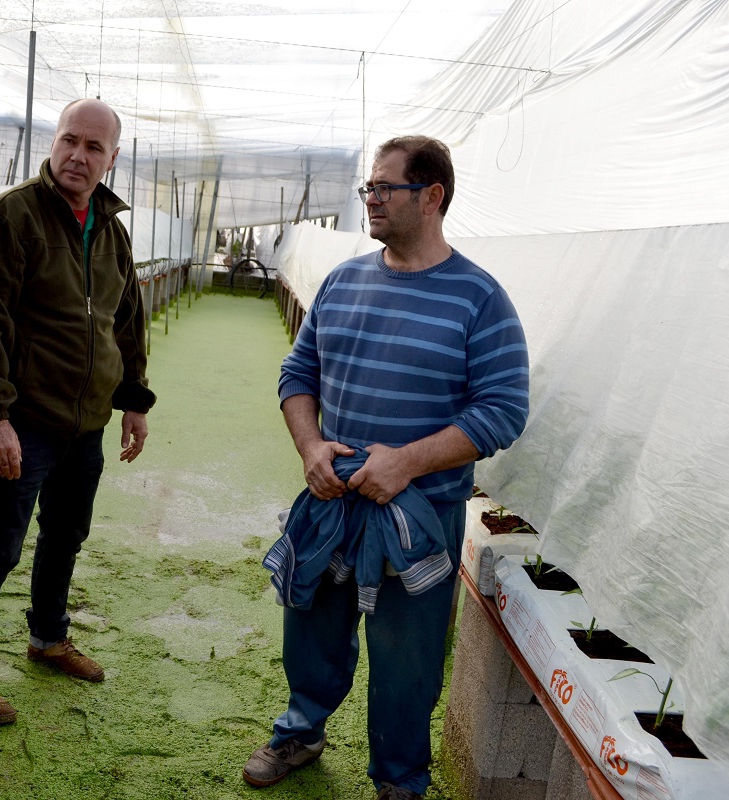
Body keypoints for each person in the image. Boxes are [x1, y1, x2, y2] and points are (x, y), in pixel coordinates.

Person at [243, 136, 529, 798]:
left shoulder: (479, 300)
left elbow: (503, 410)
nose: (370, 199)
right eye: (368, 188)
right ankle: (300, 731)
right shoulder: (343, 281)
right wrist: (312, 447)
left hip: (418, 514)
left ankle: (400, 778)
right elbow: (299, 373)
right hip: (332, 499)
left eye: (384, 188)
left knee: (407, 660)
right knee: (311, 625)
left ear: (432, 196)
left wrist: (407, 462)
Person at [0, 98, 156, 724]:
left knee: (65, 536)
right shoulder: (10, 220)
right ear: (53, 143)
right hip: (25, 422)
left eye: (94, 148)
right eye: (69, 141)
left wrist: (133, 401)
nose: (77, 156)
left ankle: (48, 637)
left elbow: (126, 321)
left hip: (84, 426)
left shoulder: (111, 230)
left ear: (112, 159)